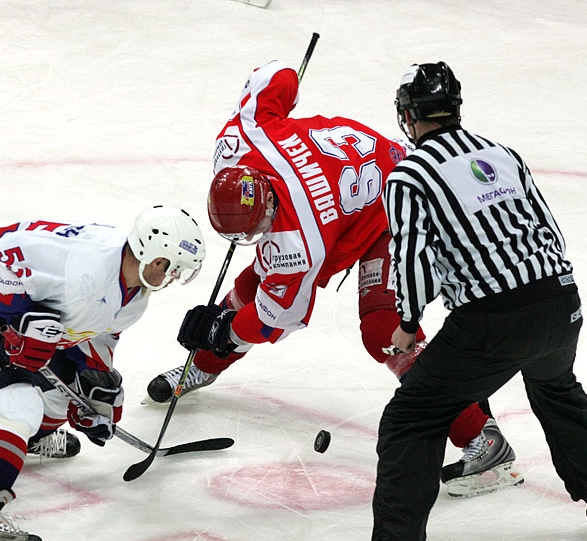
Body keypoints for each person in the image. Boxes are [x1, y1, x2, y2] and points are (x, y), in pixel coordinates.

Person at [148, 59, 522, 497]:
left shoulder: (297, 244)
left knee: (383, 329)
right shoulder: (242, 140)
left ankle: (482, 437)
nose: (257, 238)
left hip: (393, 210)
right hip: (349, 200)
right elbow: (277, 76)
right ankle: (205, 365)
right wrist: (220, 333)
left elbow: (275, 319)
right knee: (253, 284)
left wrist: (225, 330)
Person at [347, 62, 587, 541]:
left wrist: (407, 327)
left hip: (493, 319)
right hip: (561, 302)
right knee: (558, 391)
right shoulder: (503, 153)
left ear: (408, 115)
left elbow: (409, 260)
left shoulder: (409, 175)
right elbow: (543, 226)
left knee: (412, 417)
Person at [0, 205, 205, 541]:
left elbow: (95, 339)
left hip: (23, 305)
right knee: (18, 402)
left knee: (58, 399)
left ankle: (22, 441)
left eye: (177, 271)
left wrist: (97, 391)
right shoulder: (84, 264)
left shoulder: (134, 299)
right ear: (145, 250)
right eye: (166, 265)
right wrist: (23, 315)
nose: (169, 276)